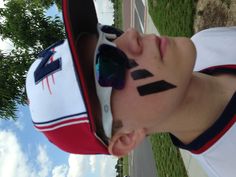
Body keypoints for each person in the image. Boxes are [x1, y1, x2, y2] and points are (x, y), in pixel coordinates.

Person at [26, 0, 236, 176]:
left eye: (109, 34)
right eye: (107, 63)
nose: (131, 34)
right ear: (126, 138)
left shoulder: (206, 42)